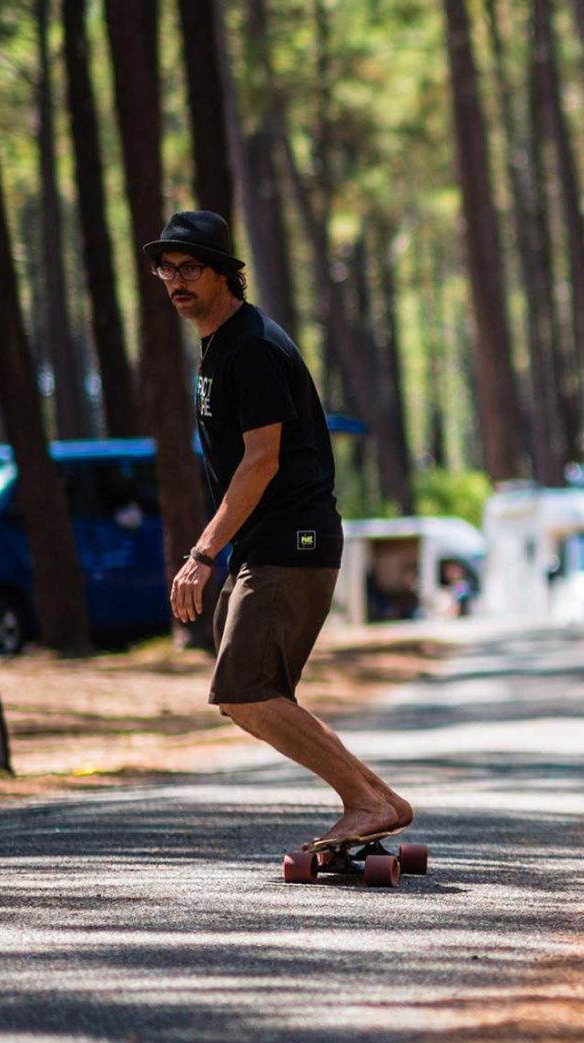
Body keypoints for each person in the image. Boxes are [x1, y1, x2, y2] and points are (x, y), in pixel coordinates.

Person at [152, 210, 415, 851]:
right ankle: (380, 800)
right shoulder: (221, 345)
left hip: (291, 543)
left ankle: (364, 801)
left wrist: (202, 552)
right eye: (166, 268)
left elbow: (261, 459)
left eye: (190, 268)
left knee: (244, 690)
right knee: (255, 692)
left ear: (225, 275)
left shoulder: (253, 347)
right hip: (272, 544)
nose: (176, 280)